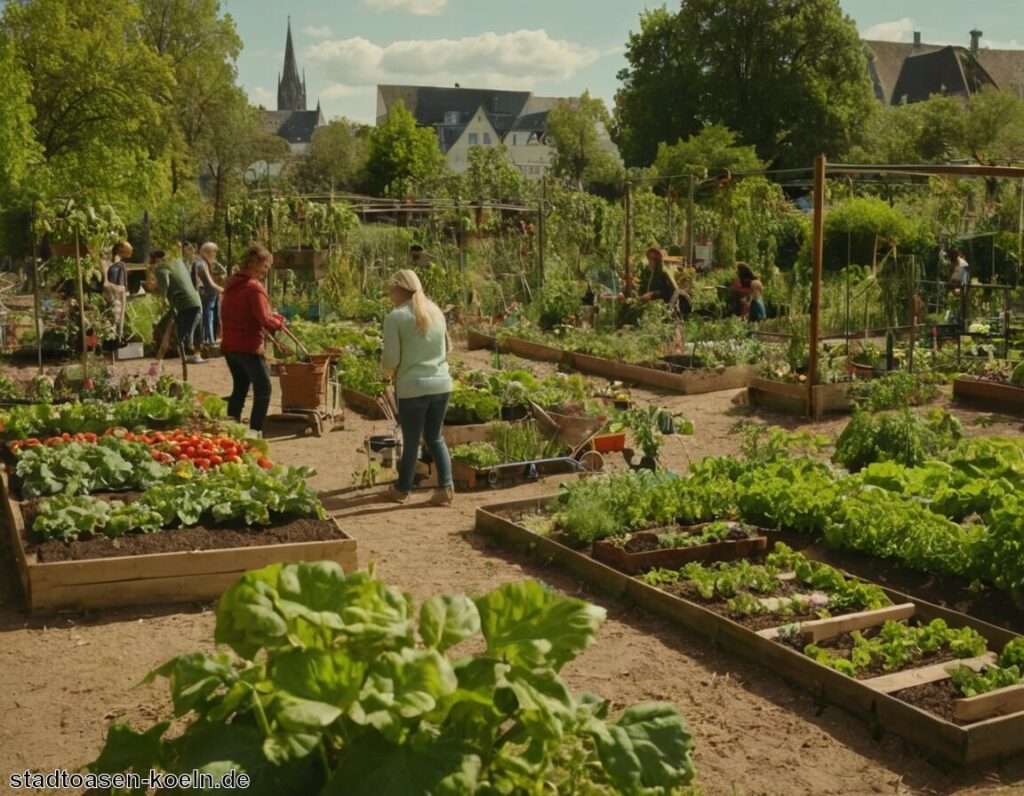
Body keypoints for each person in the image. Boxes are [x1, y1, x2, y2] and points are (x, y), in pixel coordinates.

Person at [381, 269, 455, 507]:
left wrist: (386, 373)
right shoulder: (436, 312)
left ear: (399, 289)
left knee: (411, 440)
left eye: (391, 290)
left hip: (412, 388)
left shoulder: (396, 317)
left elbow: (391, 359)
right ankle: (446, 487)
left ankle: (402, 490)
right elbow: (448, 347)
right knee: (435, 437)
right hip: (441, 384)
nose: (390, 295)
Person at [220, 244, 285, 438]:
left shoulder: (232, 285)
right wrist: (278, 323)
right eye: (265, 266)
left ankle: (231, 427)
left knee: (240, 386)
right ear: (254, 263)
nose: (266, 270)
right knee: (264, 387)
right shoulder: (253, 287)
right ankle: (255, 430)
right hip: (247, 345)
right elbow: (264, 319)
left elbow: (239, 311)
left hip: (230, 345)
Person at [154, 251, 204, 364]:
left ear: (156, 259)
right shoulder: (178, 262)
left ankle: (185, 355)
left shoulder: (161, 267)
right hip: (195, 300)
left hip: (184, 303)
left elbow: (165, 282)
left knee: (183, 333)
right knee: (189, 329)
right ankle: (188, 354)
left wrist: (163, 297)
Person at [192, 242, 224, 348]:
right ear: (207, 252)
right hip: (205, 294)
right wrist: (222, 290)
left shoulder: (201, 261)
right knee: (209, 315)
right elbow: (209, 282)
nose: (214, 256)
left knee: (212, 314)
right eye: (213, 253)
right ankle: (210, 340)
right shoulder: (201, 263)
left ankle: (209, 338)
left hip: (206, 294)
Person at [104, 241, 131, 342]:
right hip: (117, 291)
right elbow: (115, 279)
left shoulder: (118, 261)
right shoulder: (117, 262)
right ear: (121, 249)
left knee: (117, 317)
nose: (130, 251)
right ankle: (116, 340)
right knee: (117, 317)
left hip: (117, 290)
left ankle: (116, 338)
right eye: (128, 248)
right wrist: (121, 289)